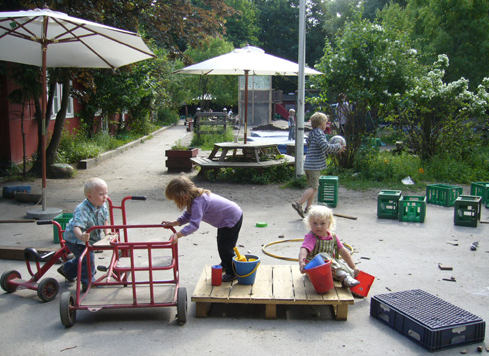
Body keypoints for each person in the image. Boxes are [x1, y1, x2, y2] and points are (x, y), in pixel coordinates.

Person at [162, 176, 243, 283]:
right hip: (225, 219)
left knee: (226, 247)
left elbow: (194, 225)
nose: (176, 203)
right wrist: (174, 223)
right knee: (222, 244)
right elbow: (188, 215)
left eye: (176, 200)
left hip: (232, 218)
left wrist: (178, 235)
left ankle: (232, 272)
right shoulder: (194, 197)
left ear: (184, 197)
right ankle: (225, 263)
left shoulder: (198, 202)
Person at [57, 177, 114, 291]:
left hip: (91, 238)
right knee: (88, 258)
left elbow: (105, 219)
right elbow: (76, 227)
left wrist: (107, 231)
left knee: (84, 258)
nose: (105, 197)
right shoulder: (82, 209)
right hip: (76, 239)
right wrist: (81, 236)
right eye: (101, 194)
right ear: (89, 196)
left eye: (106, 193)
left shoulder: (102, 204)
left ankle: (67, 269)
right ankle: (88, 282)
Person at [292, 112, 345, 218]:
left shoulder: (312, 133)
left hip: (309, 164)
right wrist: (338, 147)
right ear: (321, 123)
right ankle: (299, 204)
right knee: (313, 187)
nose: (326, 125)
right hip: (314, 165)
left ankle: (309, 209)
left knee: (314, 187)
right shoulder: (319, 133)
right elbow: (325, 146)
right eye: (326, 122)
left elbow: (320, 148)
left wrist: (334, 150)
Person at [298, 205, 360, 290]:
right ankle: (344, 277)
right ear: (309, 223)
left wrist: (353, 267)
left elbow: (343, 251)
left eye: (322, 223)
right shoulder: (311, 236)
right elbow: (304, 249)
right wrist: (302, 263)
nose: (318, 226)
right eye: (315, 223)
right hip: (314, 270)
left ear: (329, 224)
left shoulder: (333, 236)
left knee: (349, 270)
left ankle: (350, 284)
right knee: (322, 256)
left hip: (330, 268)